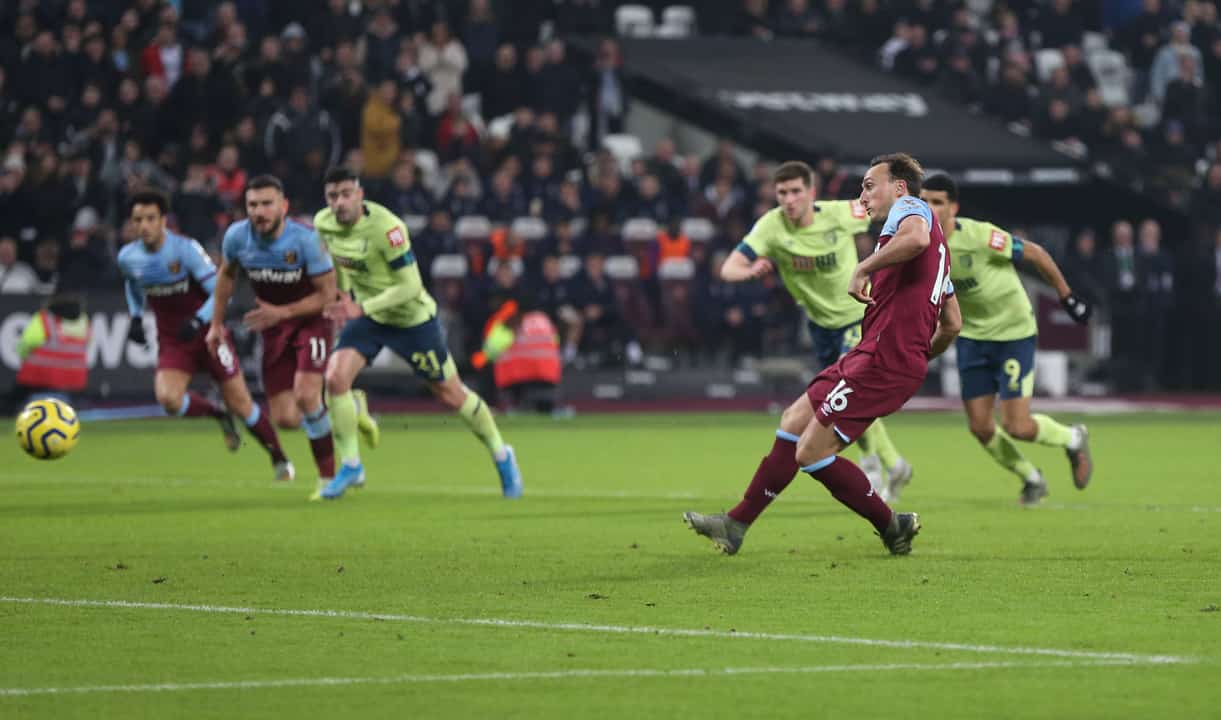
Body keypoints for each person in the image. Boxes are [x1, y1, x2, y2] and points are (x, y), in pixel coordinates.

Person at [684, 153, 961, 556]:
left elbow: (915, 238)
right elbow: (952, 322)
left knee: (811, 453)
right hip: (875, 354)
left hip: (883, 359)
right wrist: (919, 356)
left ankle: (891, 525)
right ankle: (736, 523)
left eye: (869, 185)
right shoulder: (935, 252)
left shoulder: (911, 209)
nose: (862, 195)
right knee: (793, 420)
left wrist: (863, 268)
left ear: (899, 187)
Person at [312, 166, 522, 499]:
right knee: (335, 379)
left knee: (451, 394)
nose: (339, 203)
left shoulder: (388, 228)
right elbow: (342, 261)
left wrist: (361, 307)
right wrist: (343, 295)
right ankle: (351, 465)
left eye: (346, 194)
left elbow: (411, 286)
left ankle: (501, 453)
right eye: (332, 196)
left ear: (360, 195)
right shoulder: (323, 222)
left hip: (412, 320)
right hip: (368, 317)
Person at [718, 160, 914, 500]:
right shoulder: (771, 227)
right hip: (820, 327)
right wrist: (749, 271)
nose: (789, 199)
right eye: (782, 193)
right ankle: (892, 463)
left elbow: (887, 209)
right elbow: (729, 268)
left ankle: (873, 465)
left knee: (845, 393)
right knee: (846, 398)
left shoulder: (840, 214)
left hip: (857, 318)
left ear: (811, 192)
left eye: (796, 191)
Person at [920, 175, 1093, 504]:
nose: (929, 208)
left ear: (953, 207)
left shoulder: (981, 236)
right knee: (981, 427)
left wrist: (1067, 298)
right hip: (972, 337)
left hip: (1013, 334)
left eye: (937, 202)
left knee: (1018, 426)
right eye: (924, 201)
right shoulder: (920, 246)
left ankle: (1072, 437)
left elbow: (1036, 254)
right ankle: (1032, 478)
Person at [207, 175, 375, 496]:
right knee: (286, 418)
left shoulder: (306, 240)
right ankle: (349, 406)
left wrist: (280, 313)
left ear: (283, 206)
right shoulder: (236, 238)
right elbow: (226, 277)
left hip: (313, 320)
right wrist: (216, 324)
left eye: (267, 204)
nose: (259, 211)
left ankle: (328, 479)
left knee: (306, 395)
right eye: (253, 205)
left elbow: (327, 295)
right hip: (272, 326)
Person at [117, 188, 291, 479]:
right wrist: (135, 316)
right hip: (173, 340)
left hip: (210, 336)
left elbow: (222, 292)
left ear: (163, 221)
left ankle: (279, 457)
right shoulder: (128, 257)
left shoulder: (185, 250)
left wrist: (200, 321)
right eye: (138, 220)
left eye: (150, 218)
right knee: (169, 400)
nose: (143, 226)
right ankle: (217, 414)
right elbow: (132, 284)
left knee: (242, 404)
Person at [10, 292, 90, 414]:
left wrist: (24, 356)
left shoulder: (44, 319)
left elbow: (27, 342)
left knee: (12, 402)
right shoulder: (83, 320)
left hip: (39, 377)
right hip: (73, 381)